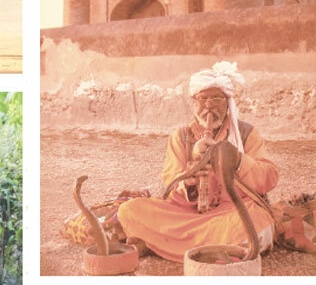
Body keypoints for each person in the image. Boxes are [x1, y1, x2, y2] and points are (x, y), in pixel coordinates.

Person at [117, 61, 280, 262]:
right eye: (202, 99)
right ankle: (215, 251)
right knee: (130, 210)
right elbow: (169, 184)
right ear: (194, 104)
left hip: (234, 212)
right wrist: (191, 175)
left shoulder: (246, 134)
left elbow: (270, 177)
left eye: (216, 99)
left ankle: (163, 245)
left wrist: (237, 160)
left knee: (254, 224)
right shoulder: (181, 137)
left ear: (228, 103)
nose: (209, 106)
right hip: (188, 215)